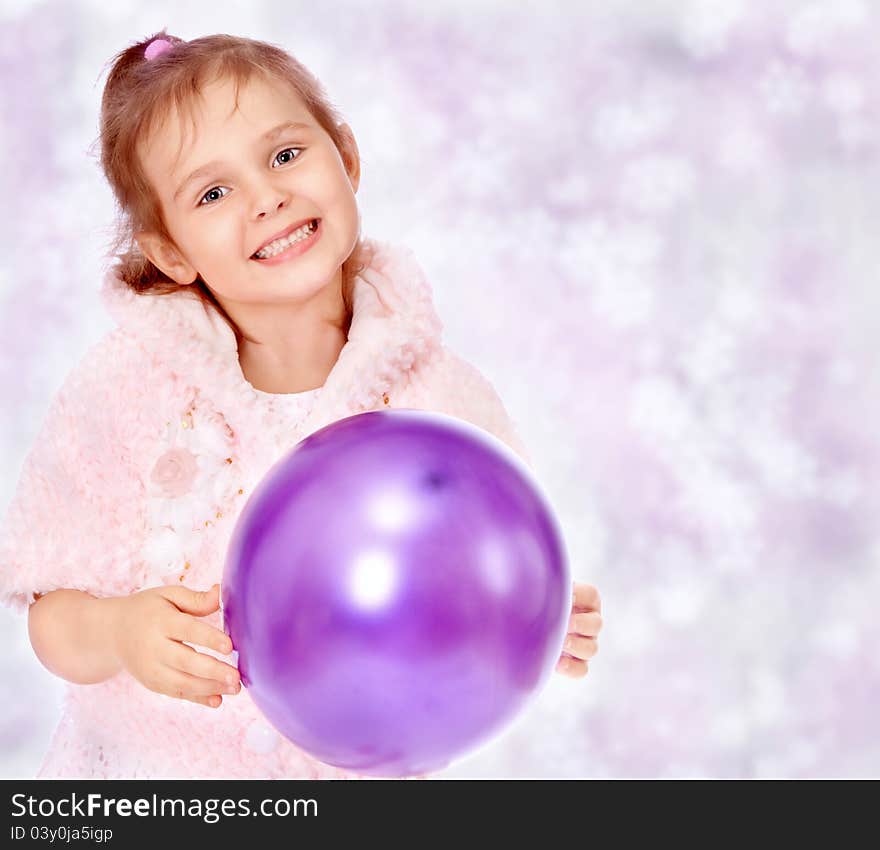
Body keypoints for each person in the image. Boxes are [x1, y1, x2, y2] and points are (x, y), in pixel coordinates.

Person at [0, 30, 603, 779]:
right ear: (171, 252)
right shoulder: (127, 390)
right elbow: (48, 613)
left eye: (286, 155)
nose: (268, 197)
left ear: (345, 159)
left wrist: (540, 623)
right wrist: (121, 631)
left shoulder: (440, 406)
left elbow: (476, 587)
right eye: (213, 193)